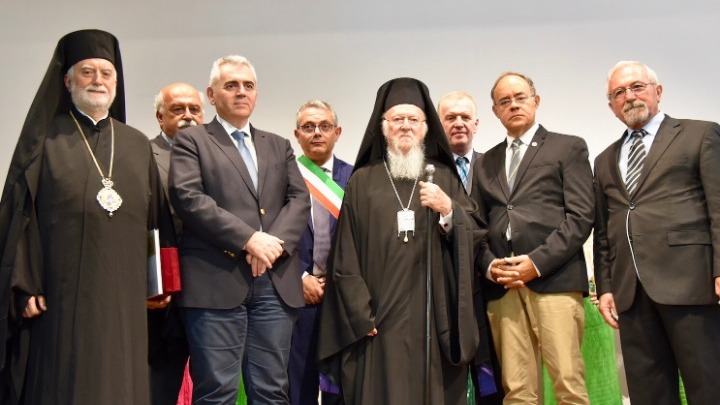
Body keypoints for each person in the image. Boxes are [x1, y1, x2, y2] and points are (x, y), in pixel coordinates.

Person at [0, 29, 168, 405]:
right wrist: (25, 285)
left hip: (125, 295)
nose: (97, 81)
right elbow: (22, 217)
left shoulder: (137, 144)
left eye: (106, 73)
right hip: (59, 295)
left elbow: (155, 223)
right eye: (87, 72)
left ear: (116, 83)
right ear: (67, 80)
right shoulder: (44, 142)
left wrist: (157, 282)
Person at [318, 77, 484, 404]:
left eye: (413, 119)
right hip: (376, 320)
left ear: (425, 128)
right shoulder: (362, 181)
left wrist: (449, 210)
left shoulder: (443, 176)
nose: (405, 126)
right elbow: (345, 253)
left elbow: (474, 233)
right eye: (397, 119)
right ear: (383, 128)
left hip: (432, 318)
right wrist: (358, 313)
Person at [169, 55, 310, 404]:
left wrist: (271, 247)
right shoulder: (192, 141)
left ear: (256, 94)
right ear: (211, 94)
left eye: (248, 85)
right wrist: (249, 239)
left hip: (274, 284)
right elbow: (188, 197)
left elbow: (298, 200)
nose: (241, 92)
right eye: (231, 85)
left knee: (272, 392)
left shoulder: (278, 145)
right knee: (216, 392)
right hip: (215, 283)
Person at [594, 61, 720, 404]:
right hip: (632, 295)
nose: (629, 96)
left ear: (658, 92)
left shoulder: (700, 134)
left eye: (637, 87)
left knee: (709, 387)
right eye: (619, 93)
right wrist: (606, 286)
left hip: (692, 285)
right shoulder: (604, 160)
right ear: (611, 106)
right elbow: (604, 229)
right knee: (648, 395)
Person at [471, 72, 594, 404]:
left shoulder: (568, 147)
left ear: (535, 101)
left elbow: (581, 217)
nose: (513, 105)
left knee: (568, 384)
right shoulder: (485, 163)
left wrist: (536, 263)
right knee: (517, 391)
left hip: (554, 281)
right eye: (504, 101)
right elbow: (476, 226)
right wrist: (490, 266)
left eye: (520, 97)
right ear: (495, 111)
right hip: (503, 287)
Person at [288, 100, 351, 405]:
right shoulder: (283, 176)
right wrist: (299, 277)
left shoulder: (355, 178)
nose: (317, 133)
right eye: (309, 127)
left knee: (340, 389)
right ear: (297, 134)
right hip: (297, 297)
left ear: (337, 132)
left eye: (324, 126)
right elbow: (270, 233)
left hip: (342, 300)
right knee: (297, 387)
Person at [148, 82, 204, 405]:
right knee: (161, 385)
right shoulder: (143, 155)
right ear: (160, 116)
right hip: (163, 296)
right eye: (178, 109)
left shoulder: (218, 155)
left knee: (212, 385)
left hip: (210, 292)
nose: (187, 116)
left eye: (194, 109)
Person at [438, 91, 480, 194]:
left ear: (476, 125)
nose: (459, 124)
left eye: (465, 117)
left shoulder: (493, 166)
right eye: (451, 118)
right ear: (438, 126)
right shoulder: (426, 169)